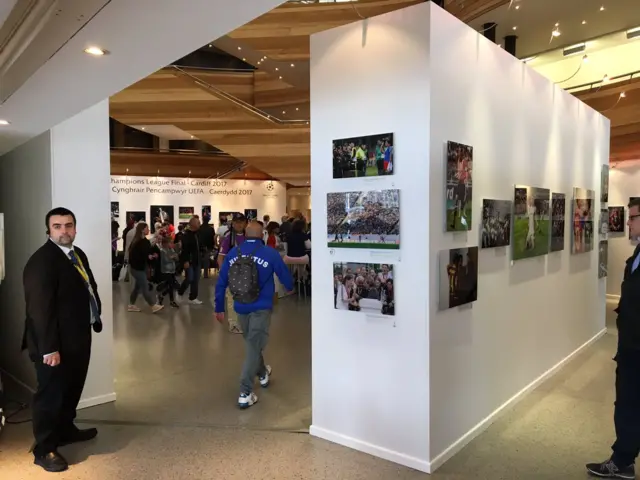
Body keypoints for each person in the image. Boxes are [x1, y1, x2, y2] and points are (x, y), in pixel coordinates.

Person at [22, 207, 104, 473]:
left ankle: (65, 430)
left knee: (71, 389)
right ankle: (44, 449)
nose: (64, 231)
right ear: (49, 230)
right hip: (53, 345)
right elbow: (39, 310)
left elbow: (86, 286)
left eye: (68, 225)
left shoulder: (76, 254)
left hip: (77, 337)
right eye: (57, 226)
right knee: (51, 396)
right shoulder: (42, 261)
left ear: (75, 228)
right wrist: (49, 349)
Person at [587, 198, 640, 479]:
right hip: (630, 344)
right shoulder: (637, 252)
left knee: (630, 403)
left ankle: (622, 459)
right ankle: (623, 460)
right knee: (627, 402)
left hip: (636, 345)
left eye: (632, 217)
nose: (628, 222)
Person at [214, 222, 293, 408]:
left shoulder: (234, 253)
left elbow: (221, 282)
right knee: (252, 347)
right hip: (261, 307)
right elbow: (285, 277)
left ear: (245, 234)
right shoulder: (270, 253)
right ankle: (245, 392)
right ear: (262, 235)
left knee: (252, 343)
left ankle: (263, 373)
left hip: (241, 306)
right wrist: (290, 288)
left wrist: (219, 307)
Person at [219, 214, 248, 333]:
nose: (239, 224)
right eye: (236, 222)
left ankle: (243, 322)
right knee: (232, 299)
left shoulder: (250, 237)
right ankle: (233, 324)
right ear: (233, 224)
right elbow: (221, 257)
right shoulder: (229, 239)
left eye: (241, 222)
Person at [127, 223, 164, 313]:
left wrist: (151, 255)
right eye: (147, 228)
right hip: (137, 269)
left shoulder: (144, 241)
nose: (148, 230)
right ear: (142, 230)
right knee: (145, 287)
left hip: (140, 268)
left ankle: (131, 305)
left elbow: (146, 252)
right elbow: (138, 255)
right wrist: (149, 256)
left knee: (137, 287)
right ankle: (153, 305)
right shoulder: (138, 242)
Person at [178, 216, 203, 305]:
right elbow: (184, 250)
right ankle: (180, 292)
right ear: (193, 224)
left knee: (196, 279)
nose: (199, 224)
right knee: (189, 278)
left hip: (197, 260)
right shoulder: (186, 235)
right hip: (189, 261)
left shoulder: (198, 234)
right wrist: (185, 261)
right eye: (198, 222)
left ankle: (193, 297)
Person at [157, 235, 179, 308]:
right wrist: (172, 257)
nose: (172, 244)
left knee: (170, 285)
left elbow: (176, 257)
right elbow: (166, 260)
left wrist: (173, 257)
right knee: (171, 285)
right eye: (170, 243)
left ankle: (162, 295)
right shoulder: (162, 251)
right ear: (165, 243)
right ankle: (171, 301)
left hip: (172, 270)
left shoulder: (171, 250)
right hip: (166, 271)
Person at [199, 214, 215, 278]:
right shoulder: (211, 229)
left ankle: (199, 273)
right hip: (208, 247)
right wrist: (213, 246)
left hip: (200, 246)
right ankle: (205, 274)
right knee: (206, 260)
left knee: (199, 260)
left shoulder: (199, 228)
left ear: (202, 220)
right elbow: (213, 238)